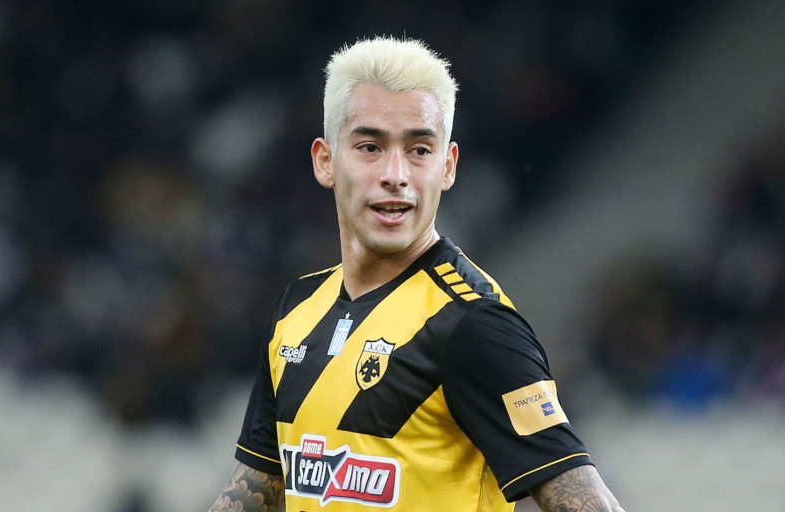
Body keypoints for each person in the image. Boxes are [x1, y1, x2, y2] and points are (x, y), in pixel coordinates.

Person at [207, 37, 624, 512]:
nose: (395, 174)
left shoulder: (472, 324)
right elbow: (253, 491)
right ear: (325, 161)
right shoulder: (295, 311)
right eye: (370, 146)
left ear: (447, 167)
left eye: (419, 149)